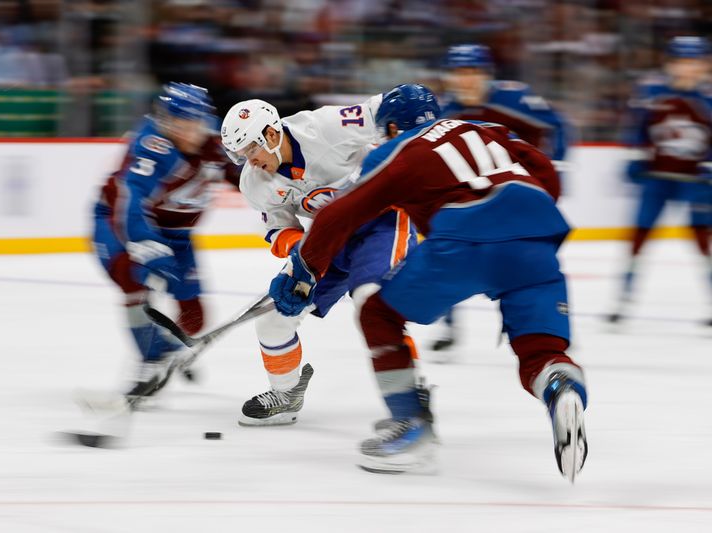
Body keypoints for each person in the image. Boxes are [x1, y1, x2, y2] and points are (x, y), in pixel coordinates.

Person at [269, 84, 588, 481]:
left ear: (388, 129)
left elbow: (340, 214)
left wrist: (305, 269)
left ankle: (411, 425)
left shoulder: (396, 150)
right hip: (536, 236)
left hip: (464, 236)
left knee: (378, 314)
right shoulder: (486, 127)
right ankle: (560, 387)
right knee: (540, 348)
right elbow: (544, 172)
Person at [220, 94, 420, 426]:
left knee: (374, 307)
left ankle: (411, 402)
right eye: (240, 155)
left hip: (381, 222)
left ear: (271, 135)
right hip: (329, 239)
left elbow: (384, 109)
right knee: (272, 319)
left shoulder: (326, 126)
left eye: (250, 150)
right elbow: (279, 226)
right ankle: (286, 395)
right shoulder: (254, 183)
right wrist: (301, 254)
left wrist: (414, 107)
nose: (248, 162)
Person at [92, 82, 233, 399]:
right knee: (133, 277)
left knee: (194, 315)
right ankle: (150, 356)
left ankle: (168, 347)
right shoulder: (153, 145)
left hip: (178, 234)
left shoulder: (215, 146)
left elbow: (249, 177)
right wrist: (145, 244)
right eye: (177, 123)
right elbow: (132, 197)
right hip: (119, 222)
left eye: (192, 123)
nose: (185, 130)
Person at [430, 43, 571, 351]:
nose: (465, 80)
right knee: (449, 249)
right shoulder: (444, 111)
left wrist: (554, 167)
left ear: (488, 75)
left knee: (526, 262)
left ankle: (546, 327)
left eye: (472, 72)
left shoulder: (513, 97)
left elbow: (558, 125)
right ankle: (449, 326)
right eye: (458, 73)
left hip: (520, 196)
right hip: (478, 197)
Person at [608, 36, 712, 324]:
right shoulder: (652, 93)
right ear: (670, 64)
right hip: (658, 179)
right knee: (639, 237)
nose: (687, 69)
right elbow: (637, 130)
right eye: (682, 62)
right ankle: (623, 298)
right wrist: (634, 159)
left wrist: (708, 167)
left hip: (695, 182)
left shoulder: (708, 98)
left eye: (694, 62)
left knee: (703, 242)